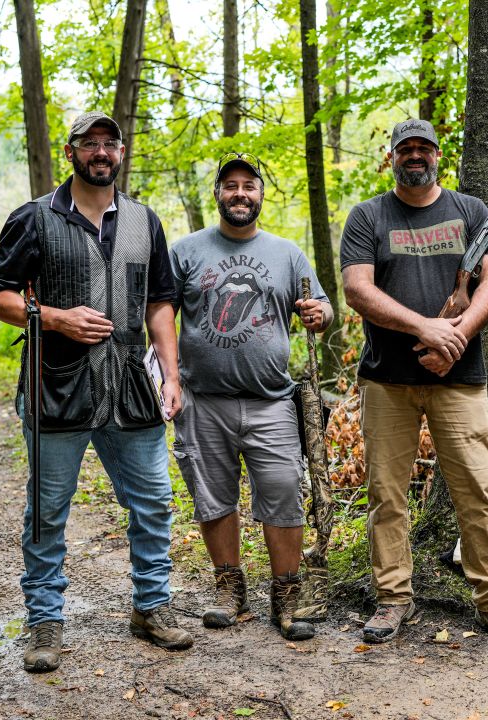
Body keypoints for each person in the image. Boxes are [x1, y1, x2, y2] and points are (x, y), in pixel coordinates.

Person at [0, 111, 191, 673]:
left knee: (153, 501)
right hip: (58, 385)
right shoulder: (33, 219)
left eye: (110, 143)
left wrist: (170, 377)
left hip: (129, 385)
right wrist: (53, 318)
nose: (101, 152)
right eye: (89, 143)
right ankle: (44, 621)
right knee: (48, 510)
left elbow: (160, 304)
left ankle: (151, 607)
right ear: (70, 151)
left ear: (121, 152)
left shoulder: (145, 222)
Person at [339, 119, 488, 649]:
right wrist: (424, 327)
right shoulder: (368, 215)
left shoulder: (472, 212)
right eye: (406, 148)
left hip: (460, 378)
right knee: (386, 494)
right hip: (387, 379)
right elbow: (357, 289)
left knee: (478, 490)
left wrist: (456, 338)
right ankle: (393, 599)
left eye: (424, 147)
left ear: (438, 154)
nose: (415, 156)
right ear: (392, 156)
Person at [169, 152, 333, 641]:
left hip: (271, 400)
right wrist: (166, 378)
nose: (240, 193)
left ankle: (286, 595)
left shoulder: (287, 253)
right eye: (231, 185)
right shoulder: (185, 252)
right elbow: (159, 316)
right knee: (213, 496)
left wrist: (319, 315)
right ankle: (229, 589)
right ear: (217, 194)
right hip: (203, 398)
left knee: (283, 489)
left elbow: (322, 306)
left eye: (250, 186)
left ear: (261, 195)